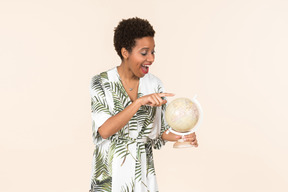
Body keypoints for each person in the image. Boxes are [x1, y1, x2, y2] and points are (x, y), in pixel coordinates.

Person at [89, 17, 198, 192]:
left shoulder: (155, 84)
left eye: (153, 52)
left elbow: (161, 132)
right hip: (111, 174)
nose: (151, 58)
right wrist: (139, 102)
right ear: (125, 53)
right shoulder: (101, 82)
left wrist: (182, 135)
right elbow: (105, 130)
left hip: (142, 174)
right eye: (144, 52)